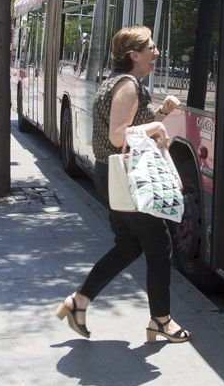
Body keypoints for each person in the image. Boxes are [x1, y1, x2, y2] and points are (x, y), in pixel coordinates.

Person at [55, 26, 190, 344]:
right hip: (126, 177)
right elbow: (119, 135)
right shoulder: (128, 84)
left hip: (112, 175)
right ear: (134, 55)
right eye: (151, 48)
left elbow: (130, 125)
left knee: (129, 245)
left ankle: (79, 302)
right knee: (159, 245)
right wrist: (157, 124)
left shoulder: (117, 82)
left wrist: (161, 113)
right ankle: (161, 320)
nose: (156, 53)